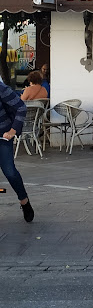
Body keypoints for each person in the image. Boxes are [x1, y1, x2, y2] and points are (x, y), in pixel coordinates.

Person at [0, 81, 34, 222]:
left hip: (3, 136)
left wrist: (13, 130)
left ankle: (24, 201)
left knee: (10, 172)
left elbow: (21, 107)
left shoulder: (1, 88)